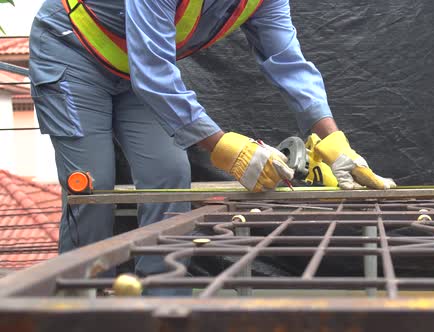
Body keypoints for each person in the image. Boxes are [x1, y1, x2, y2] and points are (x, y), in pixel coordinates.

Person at [29, 0, 396, 294]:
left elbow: (288, 63)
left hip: (136, 72)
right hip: (71, 52)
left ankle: (162, 305)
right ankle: (75, 307)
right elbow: (153, 72)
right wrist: (225, 148)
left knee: (170, 178)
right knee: (93, 188)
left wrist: (334, 141)